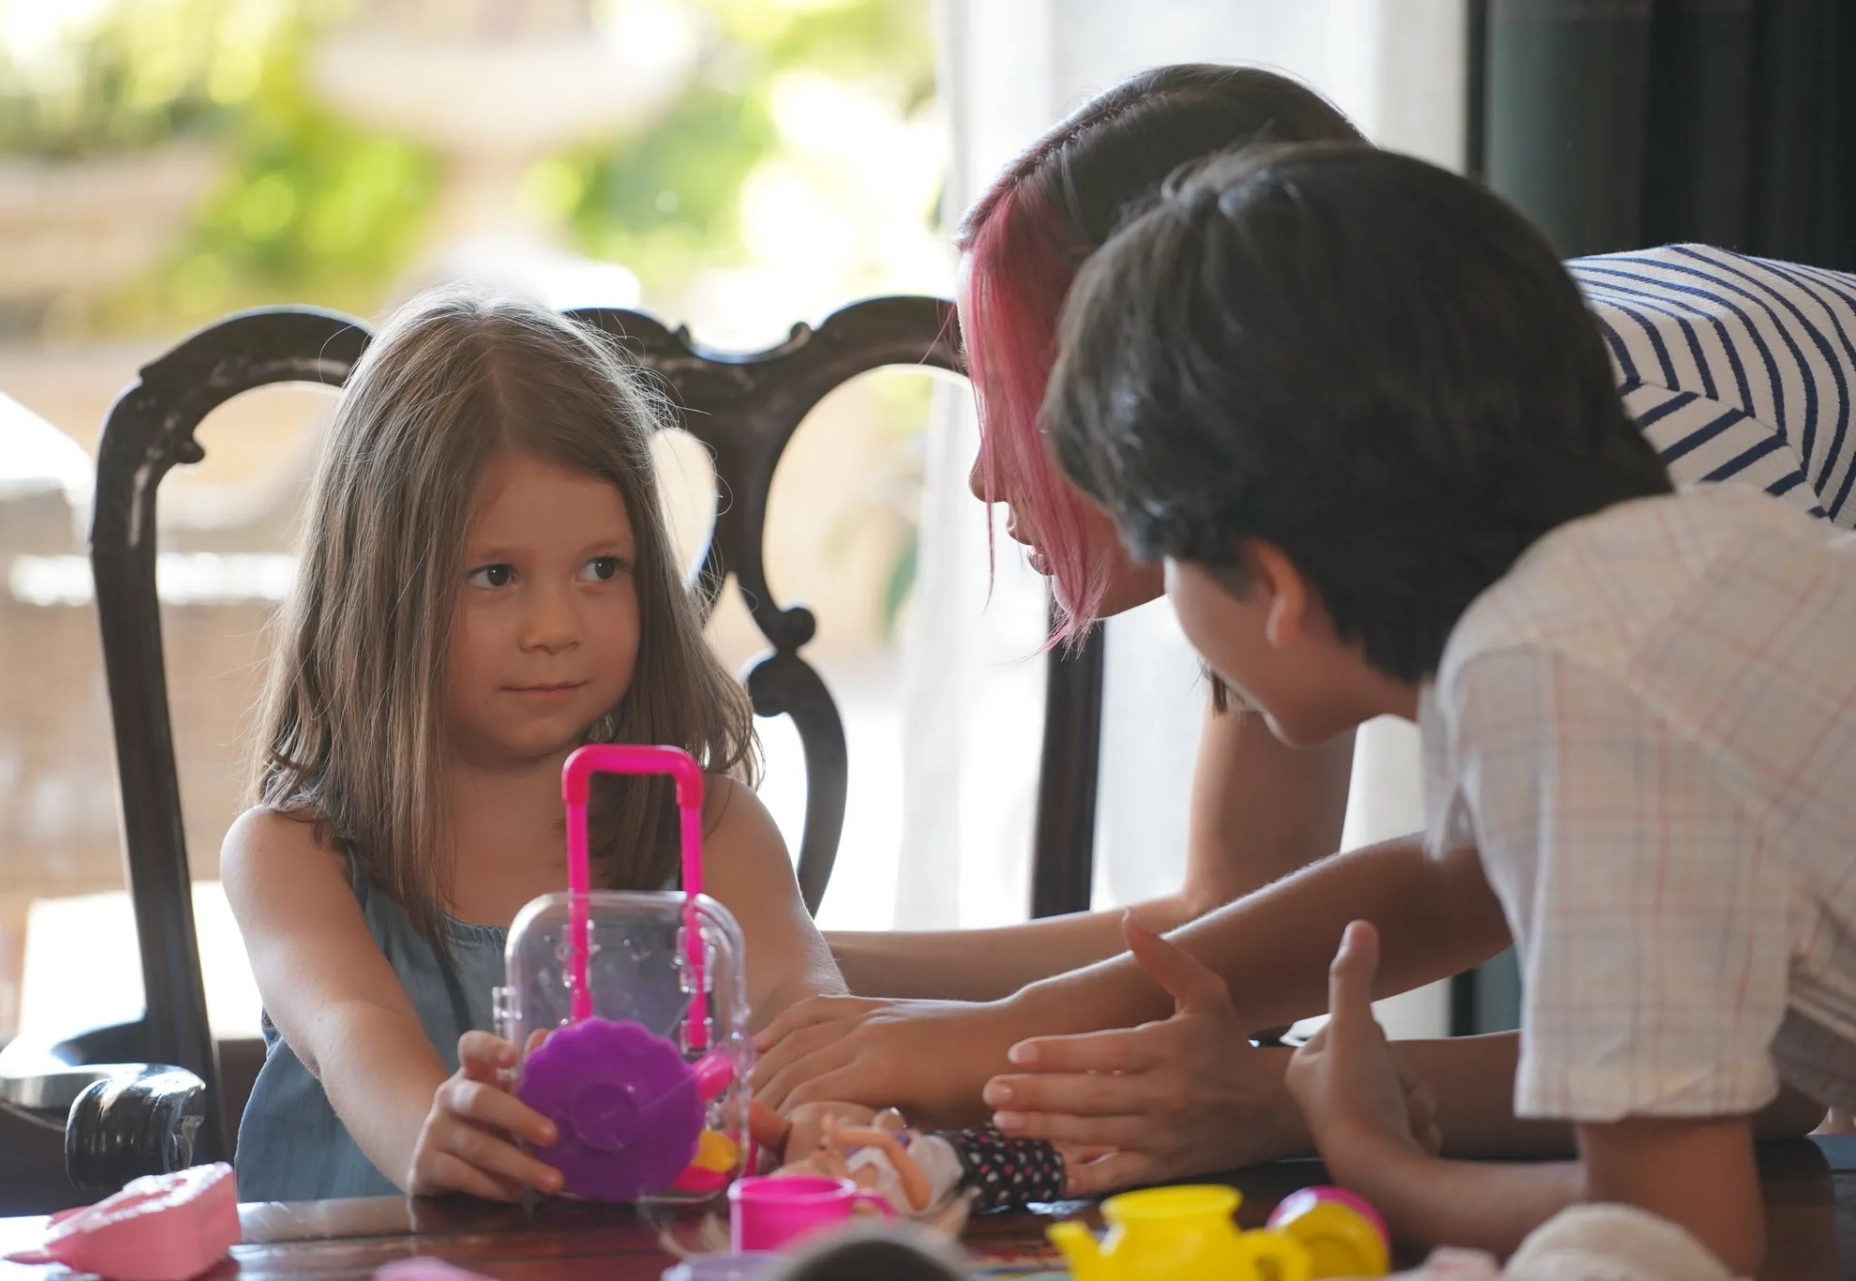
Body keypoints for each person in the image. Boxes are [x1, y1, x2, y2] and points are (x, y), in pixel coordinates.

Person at [765, 63, 1852, 1192]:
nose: (993, 476)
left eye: (1035, 408)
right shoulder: (1390, 464)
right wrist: (796, 961)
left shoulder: (1648, 503)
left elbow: (1755, 1074)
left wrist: (1293, 1105)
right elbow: (1312, 892)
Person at [1039, 141, 1856, 1271]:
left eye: (1162, 551)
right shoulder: (1689, 562)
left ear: (1273, 584)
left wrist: (1378, 1164)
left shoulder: (1557, 685)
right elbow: (1451, 886)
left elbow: (1674, 1242)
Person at [226, 289, 843, 1202]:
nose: (554, 626)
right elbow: (351, 1028)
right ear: (381, 591)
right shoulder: (293, 852)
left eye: (602, 568)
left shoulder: (711, 832)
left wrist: (834, 1113)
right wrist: (429, 1130)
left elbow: (808, 1017)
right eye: (495, 575)